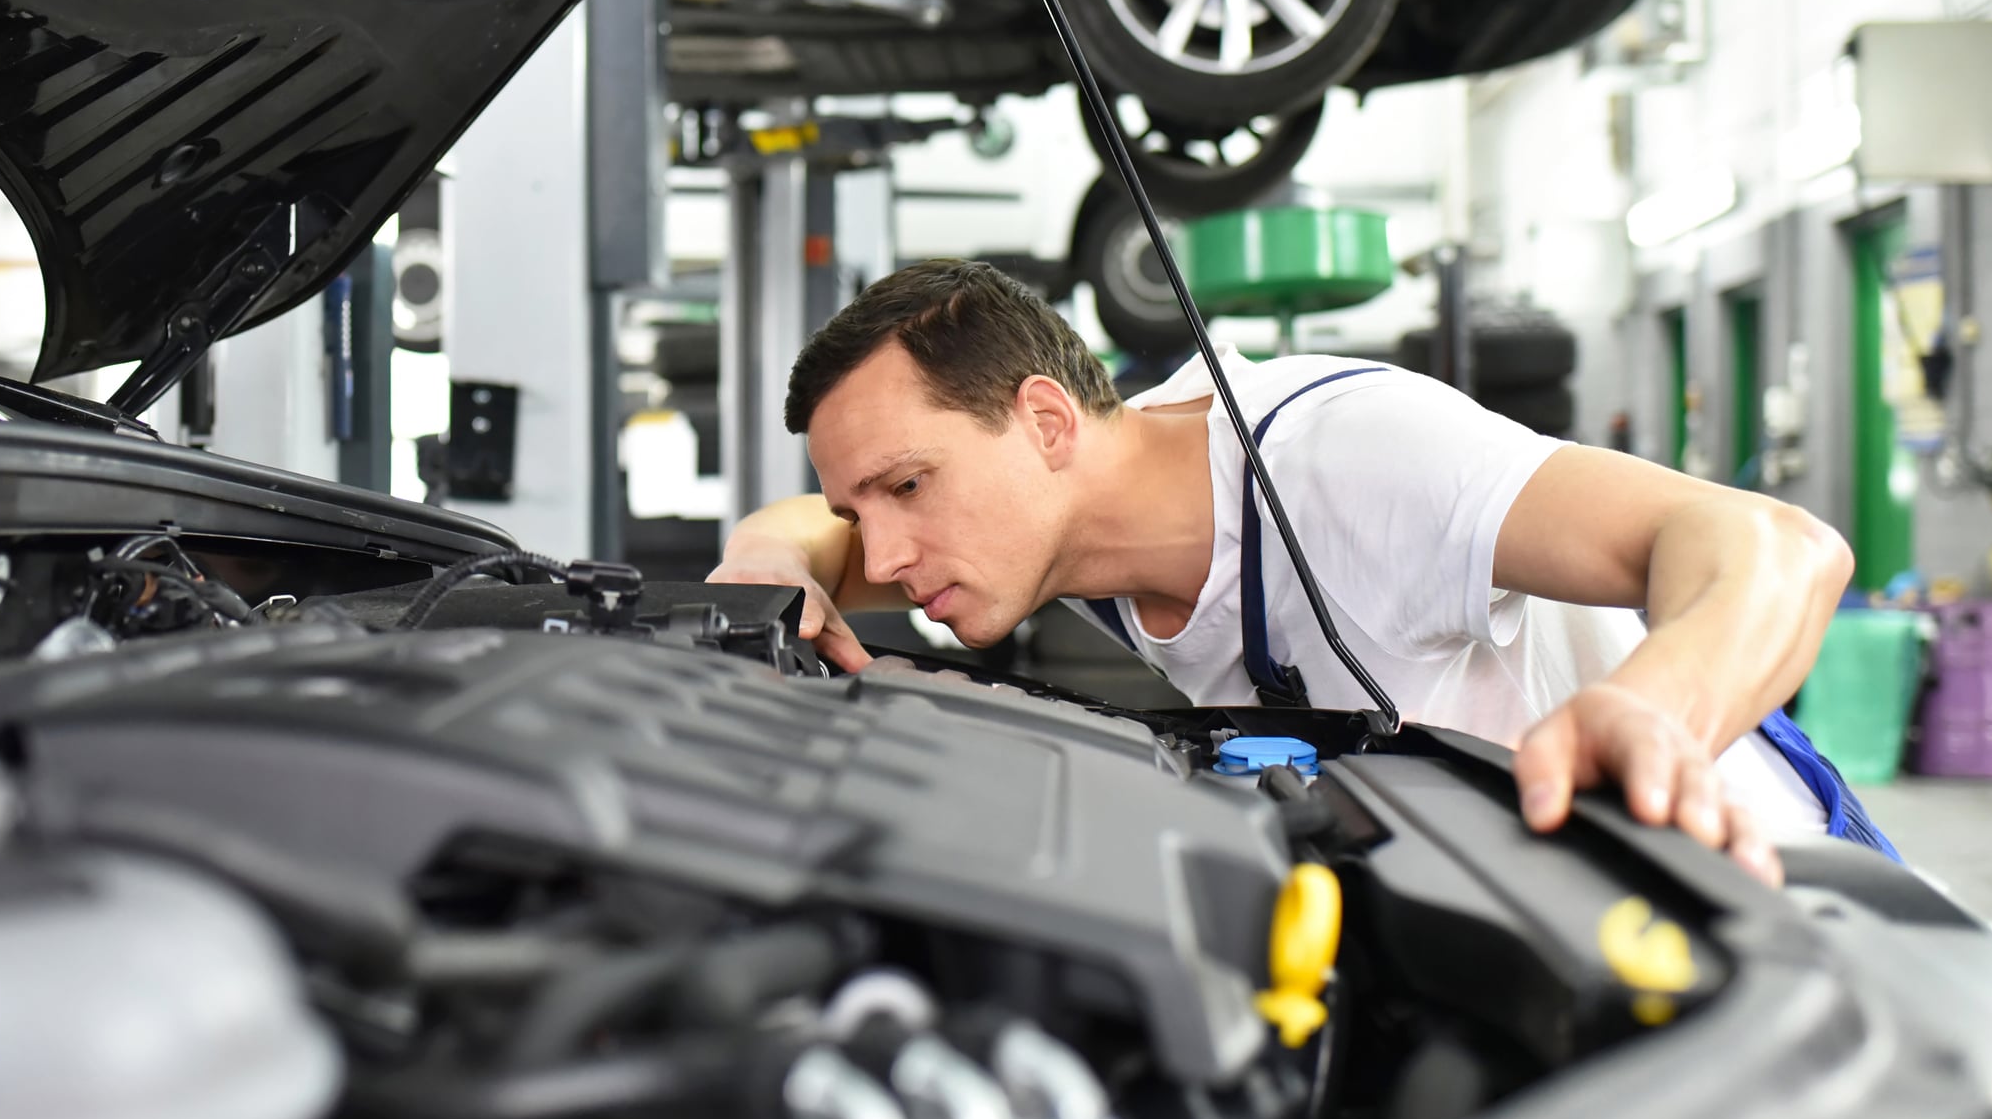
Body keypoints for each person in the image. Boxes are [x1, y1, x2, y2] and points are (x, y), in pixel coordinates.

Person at [711, 261, 1886, 883]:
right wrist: (770, 553)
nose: (887, 552)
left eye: (907, 487)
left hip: (1775, 912)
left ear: (1046, 421)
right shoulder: (1049, 525)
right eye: (857, 508)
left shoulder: (1348, 459)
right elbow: (825, 540)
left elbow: (1779, 545)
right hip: (1518, 903)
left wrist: (1650, 710)